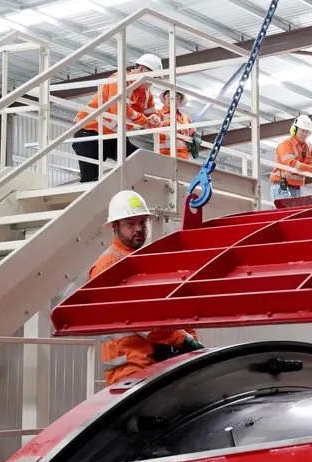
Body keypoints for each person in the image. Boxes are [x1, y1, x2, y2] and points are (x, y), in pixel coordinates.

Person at [90, 190, 204, 385]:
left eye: (143, 222)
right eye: (130, 223)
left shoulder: (144, 262)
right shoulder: (107, 266)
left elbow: (167, 307)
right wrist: (180, 339)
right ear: (115, 226)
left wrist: (189, 336)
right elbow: (137, 318)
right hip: (130, 368)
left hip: (153, 364)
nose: (139, 228)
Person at [72, 54, 163, 183]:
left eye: (158, 78)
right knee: (91, 181)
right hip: (90, 133)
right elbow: (120, 110)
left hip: (115, 137)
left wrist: (155, 119)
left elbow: (151, 117)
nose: (154, 82)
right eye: (154, 77)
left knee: (141, 160)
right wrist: (144, 120)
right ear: (142, 69)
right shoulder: (119, 79)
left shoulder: (146, 93)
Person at [272, 115, 312, 201]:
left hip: (298, 189)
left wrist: (310, 169)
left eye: (307, 132)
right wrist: (311, 169)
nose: (304, 134)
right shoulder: (286, 144)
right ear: (294, 129)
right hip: (282, 187)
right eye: (302, 131)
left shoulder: (310, 147)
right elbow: (291, 164)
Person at [156, 89, 200, 160]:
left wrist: (196, 137)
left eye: (176, 96)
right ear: (165, 99)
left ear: (180, 101)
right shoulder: (158, 113)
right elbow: (153, 126)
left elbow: (193, 133)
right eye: (169, 96)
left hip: (183, 155)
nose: (172, 98)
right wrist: (172, 123)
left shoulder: (186, 118)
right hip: (164, 153)